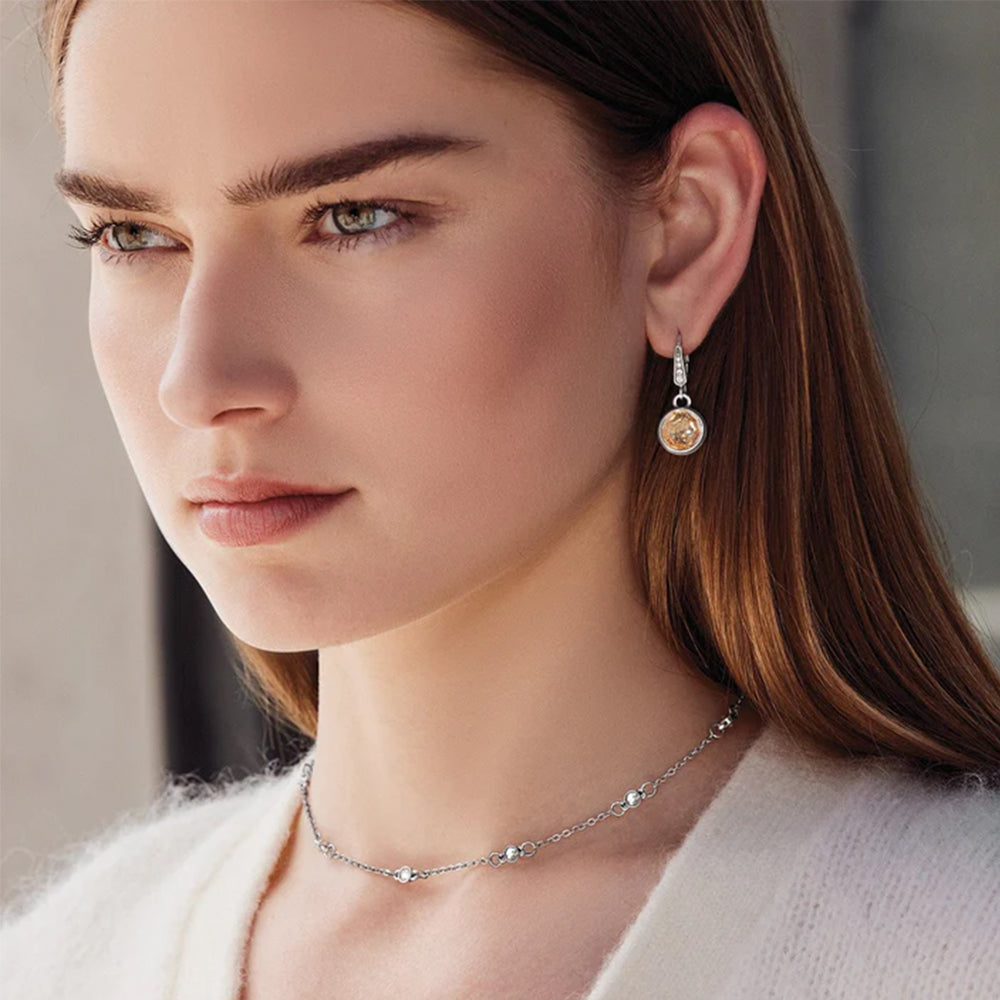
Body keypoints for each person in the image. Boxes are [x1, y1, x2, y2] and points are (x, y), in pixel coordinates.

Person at [2, 1, 999, 998]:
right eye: (130, 235)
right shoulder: (68, 961)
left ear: (683, 233)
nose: (200, 378)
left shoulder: (953, 942)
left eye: (356, 216)